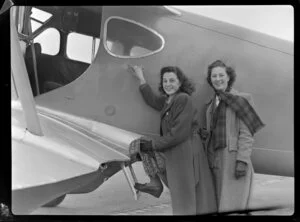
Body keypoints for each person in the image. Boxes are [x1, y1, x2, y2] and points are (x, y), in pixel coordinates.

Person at [128, 65, 217, 215]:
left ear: (180, 82)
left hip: (186, 151)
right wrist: (141, 79)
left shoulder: (183, 99)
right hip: (178, 150)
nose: (168, 84)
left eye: (172, 80)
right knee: (183, 193)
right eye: (165, 81)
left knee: (186, 193)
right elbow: (153, 101)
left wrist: (152, 145)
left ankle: (156, 183)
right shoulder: (169, 100)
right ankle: (155, 183)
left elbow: (179, 134)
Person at [199, 60, 265, 213]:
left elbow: (247, 133)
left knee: (232, 207)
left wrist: (242, 160)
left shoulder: (242, 99)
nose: (218, 79)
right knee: (216, 206)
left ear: (228, 77)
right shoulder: (210, 105)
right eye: (214, 76)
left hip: (233, 161)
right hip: (213, 161)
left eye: (221, 75)